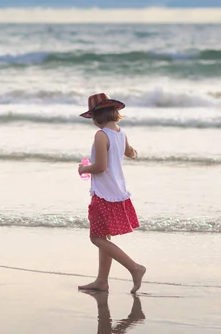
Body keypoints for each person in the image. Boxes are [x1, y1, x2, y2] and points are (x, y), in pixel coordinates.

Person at [77, 93, 146, 294]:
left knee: (96, 238)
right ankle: (102, 281)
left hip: (103, 193)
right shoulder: (120, 133)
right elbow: (130, 152)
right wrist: (134, 153)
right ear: (115, 112)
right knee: (104, 237)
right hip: (117, 192)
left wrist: (84, 169)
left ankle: (134, 267)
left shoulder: (101, 135)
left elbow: (100, 167)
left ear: (97, 117)